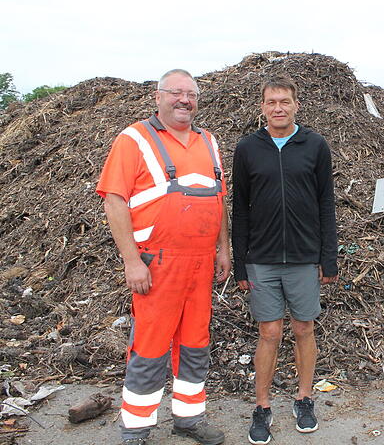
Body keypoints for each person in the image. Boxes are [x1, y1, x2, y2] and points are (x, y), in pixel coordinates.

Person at [96, 69, 231, 445]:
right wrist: (131, 261)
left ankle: (189, 419)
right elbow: (114, 200)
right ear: (158, 97)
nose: (184, 100)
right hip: (158, 265)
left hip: (201, 264)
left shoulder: (208, 141)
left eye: (190, 94)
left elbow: (219, 199)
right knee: (150, 348)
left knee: (195, 345)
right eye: (175, 93)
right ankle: (136, 428)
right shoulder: (134, 139)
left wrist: (224, 248)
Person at [232, 76, 338, 445]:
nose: (278, 107)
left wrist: (329, 257)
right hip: (261, 258)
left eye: (285, 101)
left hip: (304, 257)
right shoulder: (248, 148)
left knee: (303, 329)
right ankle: (262, 407)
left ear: (296, 104)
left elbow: (326, 203)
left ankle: (304, 398)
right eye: (271, 102)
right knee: (269, 332)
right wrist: (240, 262)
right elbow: (240, 209)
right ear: (262, 106)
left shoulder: (315, 145)